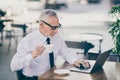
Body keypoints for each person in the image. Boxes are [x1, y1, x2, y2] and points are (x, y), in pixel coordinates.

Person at [10, 9, 90, 80]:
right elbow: (13, 66)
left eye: (57, 27)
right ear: (41, 25)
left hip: (51, 76)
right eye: (53, 27)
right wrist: (32, 55)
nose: (56, 31)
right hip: (34, 78)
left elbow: (66, 52)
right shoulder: (28, 41)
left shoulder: (56, 38)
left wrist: (75, 60)